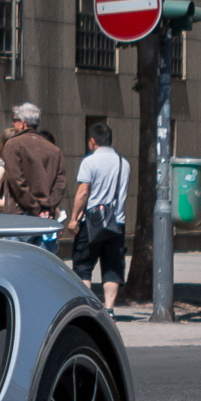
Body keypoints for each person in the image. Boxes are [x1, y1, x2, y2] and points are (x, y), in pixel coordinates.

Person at [63, 121, 131, 312]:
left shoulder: (89, 161)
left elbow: (83, 192)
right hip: (116, 222)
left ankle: (88, 307)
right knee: (112, 267)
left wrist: (74, 218)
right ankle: (109, 309)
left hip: (91, 223)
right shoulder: (123, 163)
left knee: (83, 265)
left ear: (92, 141)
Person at [0, 102, 69, 221]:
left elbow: (17, 181)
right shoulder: (55, 150)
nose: (12, 123)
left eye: (14, 120)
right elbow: (60, 184)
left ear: (23, 123)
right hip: (47, 215)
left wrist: (35, 209)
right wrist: (48, 207)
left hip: (19, 214)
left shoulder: (12, 145)